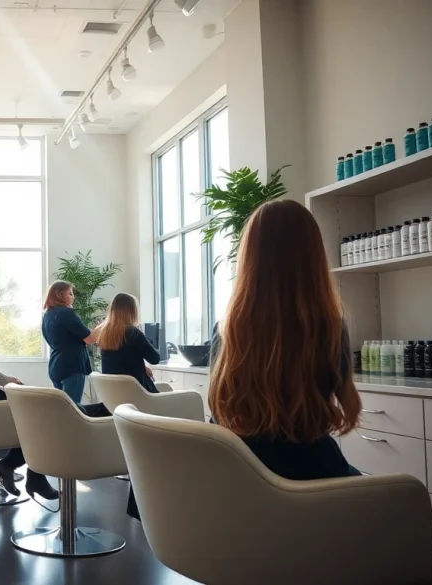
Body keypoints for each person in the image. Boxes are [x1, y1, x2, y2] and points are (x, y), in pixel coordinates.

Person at [128, 200, 361, 519]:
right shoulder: (330, 327)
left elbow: (217, 407)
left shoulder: (227, 330)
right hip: (311, 482)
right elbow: (348, 408)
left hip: (235, 481)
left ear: (249, 259)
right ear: (314, 258)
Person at [41, 281, 100, 403]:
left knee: (63, 409)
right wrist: (104, 326)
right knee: (73, 409)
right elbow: (90, 338)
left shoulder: (47, 315)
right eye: (70, 294)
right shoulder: (66, 313)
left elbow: (70, 336)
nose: (73, 297)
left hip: (56, 366)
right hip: (72, 366)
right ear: (61, 294)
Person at [98, 293, 161, 393]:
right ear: (132, 311)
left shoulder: (105, 334)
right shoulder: (132, 332)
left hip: (116, 395)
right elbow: (155, 358)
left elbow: (118, 362)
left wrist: (142, 368)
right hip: (137, 394)